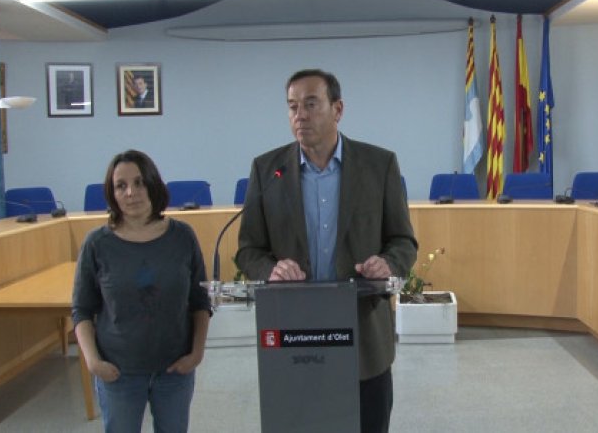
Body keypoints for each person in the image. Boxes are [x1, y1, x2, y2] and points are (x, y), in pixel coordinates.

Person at [236, 69, 417, 432]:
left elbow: (403, 241)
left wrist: (388, 263)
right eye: (292, 107)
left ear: (338, 109)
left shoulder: (378, 165)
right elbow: (248, 249)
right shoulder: (267, 170)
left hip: (363, 337)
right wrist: (271, 270)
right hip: (294, 337)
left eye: (310, 104)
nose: (299, 115)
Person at [72, 149, 211, 432]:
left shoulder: (182, 236)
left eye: (139, 182)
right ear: (112, 193)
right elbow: (82, 310)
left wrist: (196, 353)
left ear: (153, 184)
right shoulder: (97, 244)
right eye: (120, 186)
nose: (131, 193)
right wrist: (93, 362)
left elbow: (199, 301)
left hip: (175, 369)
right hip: (118, 372)